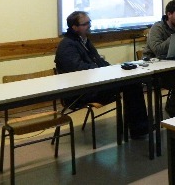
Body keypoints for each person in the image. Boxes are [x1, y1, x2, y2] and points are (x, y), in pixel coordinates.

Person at [55, 11, 149, 139]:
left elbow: (99, 61)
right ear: (74, 27)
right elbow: (78, 69)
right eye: (85, 24)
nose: (89, 25)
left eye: (89, 22)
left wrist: (113, 69)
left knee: (132, 81)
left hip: (94, 85)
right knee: (131, 84)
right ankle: (139, 129)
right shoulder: (67, 45)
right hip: (81, 92)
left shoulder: (84, 40)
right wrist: (101, 69)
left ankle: (139, 127)